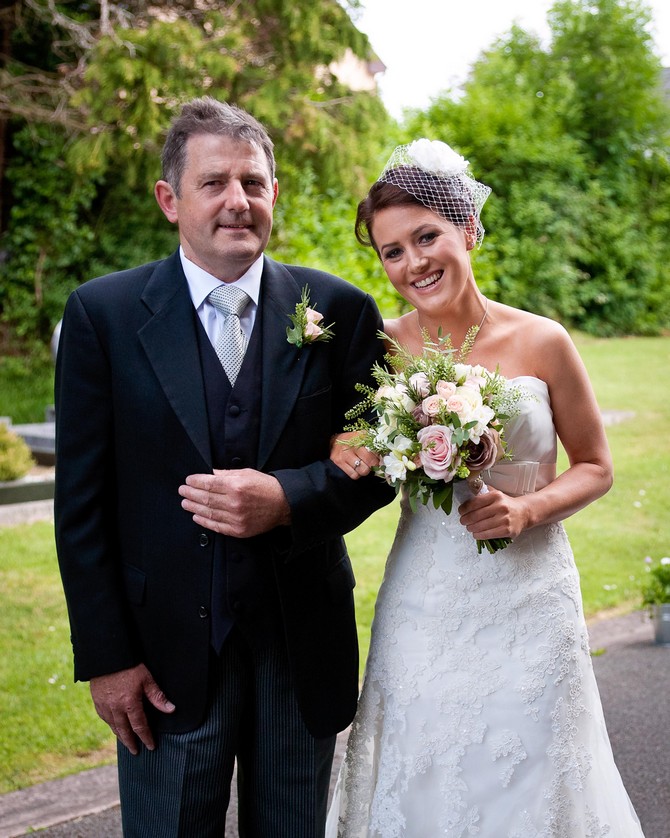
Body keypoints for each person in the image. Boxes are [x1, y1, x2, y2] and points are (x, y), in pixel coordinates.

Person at [54, 96, 393, 837]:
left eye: (254, 183)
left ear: (276, 194)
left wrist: (291, 496)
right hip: (163, 657)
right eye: (215, 183)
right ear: (170, 199)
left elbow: (389, 457)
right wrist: (107, 657)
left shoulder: (338, 310)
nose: (238, 202)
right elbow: (80, 504)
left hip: (299, 645)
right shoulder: (101, 317)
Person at [325, 139, 645, 836]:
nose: (415, 263)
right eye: (392, 252)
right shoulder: (382, 347)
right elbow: (346, 440)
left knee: (533, 772)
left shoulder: (544, 341)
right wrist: (350, 446)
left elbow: (596, 465)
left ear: (467, 228)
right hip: (425, 597)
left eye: (427, 236)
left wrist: (527, 508)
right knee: (423, 767)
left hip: (530, 596)